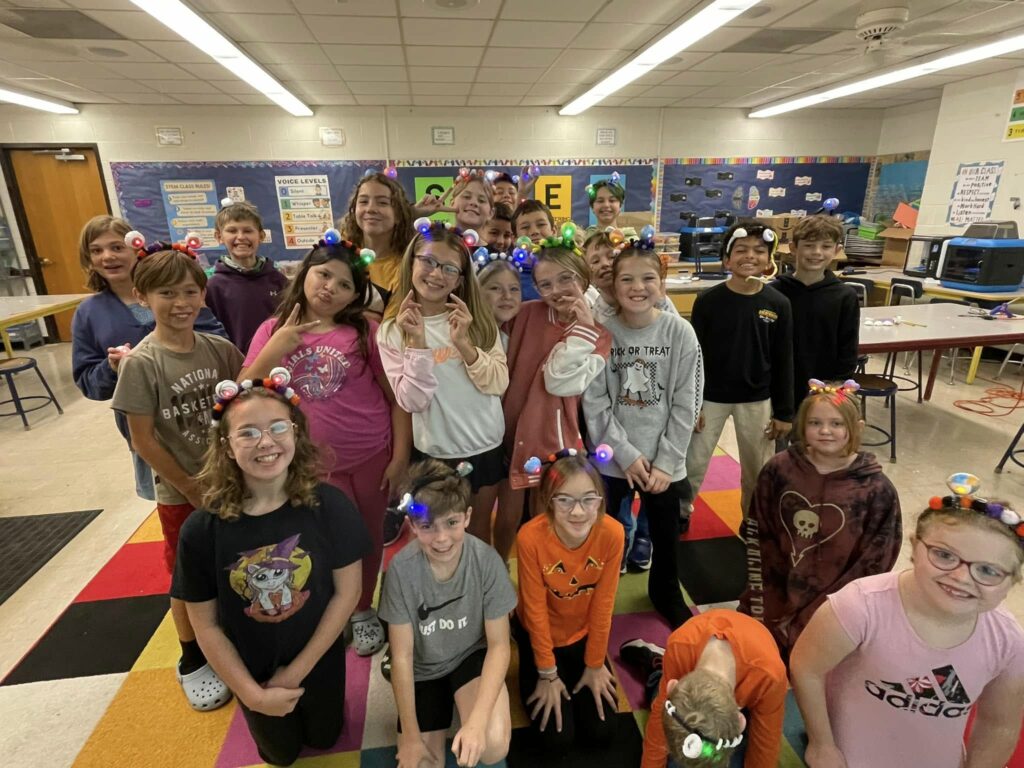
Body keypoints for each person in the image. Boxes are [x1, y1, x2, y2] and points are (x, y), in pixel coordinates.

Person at [172, 370, 370, 766]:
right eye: (247, 433)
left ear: (296, 433)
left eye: (278, 427)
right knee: (279, 755)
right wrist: (252, 693)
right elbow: (205, 625)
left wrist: (295, 673)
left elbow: (348, 594)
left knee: (326, 736)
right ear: (226, 447)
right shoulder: (202, 529)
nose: (266, 441)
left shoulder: (331, 507)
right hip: (251, 669)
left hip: (318, 659)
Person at [243, 234, 411, 658]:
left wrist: (401, 455)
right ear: (304, 274)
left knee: (368, 537)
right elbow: (242, 390)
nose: (329, 288)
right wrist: (278, 348)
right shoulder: (271, 330)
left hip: (371, 454)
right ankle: (330, 608)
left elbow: (397, 397)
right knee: (319, 542)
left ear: (355, 296)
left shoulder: (363, 331)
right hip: (309, 464)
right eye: (323, 275)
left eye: (343, 285)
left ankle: (361, 609)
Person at [791, 475, 1024, 768]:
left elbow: (998, 724)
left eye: (989, 571)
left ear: (1013, 582)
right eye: (944, 555)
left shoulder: (1009, 642)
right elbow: (806, 667)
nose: (961, 577)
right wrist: (822, 745)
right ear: (914, 547)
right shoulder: (860, 606)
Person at [111, 237, 243, 710]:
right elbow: (141, 439)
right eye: (166, 294)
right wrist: (190, 487)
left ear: (203, 295)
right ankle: (191, 658)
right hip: (180, 491)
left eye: (189, 291)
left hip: (229, 485)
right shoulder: (142, 364)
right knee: (187, 576)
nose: (180, 303)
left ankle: (227, 636)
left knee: (233, 562)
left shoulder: (222, 352)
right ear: (142, 298)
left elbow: (241, 411)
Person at [583, 238, 703, 629]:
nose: (638, 287)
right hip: (614, 458)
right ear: (613, 286)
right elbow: (595, 401)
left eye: (648, 278)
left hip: (664, 464)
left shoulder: (679, 332)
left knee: (666, 533)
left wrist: (667, 461)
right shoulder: (602, 332)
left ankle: (664, 589)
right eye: (627, 279)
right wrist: (626, 454)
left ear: (662, 281)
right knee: (603, 531)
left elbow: (688, 401)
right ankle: (591, 591)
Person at [738, 380, 902, 662]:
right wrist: (761, 589)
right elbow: (758, 530)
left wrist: (837, 606)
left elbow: (878, 558)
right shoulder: (779, 469)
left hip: (837, 606)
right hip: (773, 592)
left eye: (837, 424)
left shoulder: (876, 489)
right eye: (815, 422)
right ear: (802, 425)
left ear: (857, 427)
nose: (825, 431)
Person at [71, 215, 225, 500]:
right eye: (97, 250)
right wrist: (111, 367)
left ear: (134, 248)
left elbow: (216, 345)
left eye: (117, 247)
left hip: (203, 423)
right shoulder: (90, 313)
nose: (108, 256)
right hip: (150, 434)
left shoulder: (181, 294)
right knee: (173, 502)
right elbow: (87, 381)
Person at [379, 460, 516, 768]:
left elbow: (499, 645)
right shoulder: (401, 570)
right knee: (422, 763)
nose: (441, 538)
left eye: (451, 523)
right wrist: (411, 736)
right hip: (423, 667)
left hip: (470, 656)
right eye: (428, 526)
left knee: (492, 747)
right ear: (412, 526)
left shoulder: (487, 562)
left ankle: (467, 709)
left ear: (467, 517)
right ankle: (443, 716)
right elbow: (401, 656)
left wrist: (478, 723)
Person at [378, 222, 508, 546]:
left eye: (449, 268)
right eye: (429, 261)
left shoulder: (476, 320)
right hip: (434, 452)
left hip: (486, 447)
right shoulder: (393, 331)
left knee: (477, 532)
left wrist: (464, 344)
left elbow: (498, 383)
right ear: (412, 262)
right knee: (436, 536)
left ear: (461, 279)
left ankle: (478, 594)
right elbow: (412, 402)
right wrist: (418, 344)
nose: (437, 274)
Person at [498, 227, 611, 561]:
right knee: (507, 515)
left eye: (566, 280)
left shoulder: (599, 335)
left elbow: (561, 382)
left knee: (547, 516)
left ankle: (546, 579)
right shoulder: (527, 313)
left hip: (556, 441)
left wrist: (583, 329)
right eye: (545, 284)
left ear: (583, 278)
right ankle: (500, 578)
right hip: (508, 428)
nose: (556, 291)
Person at [514, 451, 622, 754]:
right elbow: (534, 610)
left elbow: (604, 605)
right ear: (548, 501)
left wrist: (595, 663)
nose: (578, 512)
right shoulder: (530, 538)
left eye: (589, 499)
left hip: (582, 633)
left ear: (600, 499)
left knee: (602, 731)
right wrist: (547, 673)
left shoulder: (612, 533)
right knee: (557, 739)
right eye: (565, 500)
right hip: (539, 632)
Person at [685, 221, 794, 519]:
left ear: (769, 259)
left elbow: (784, 359)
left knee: (757, 466)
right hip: (710, 398)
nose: (750, 256)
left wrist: (784, 412)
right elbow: (694, 357)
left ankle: (753, 519)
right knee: (693, 462)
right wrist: (693, 403)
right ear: (726, 258)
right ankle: (681, 511)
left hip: (757, 399)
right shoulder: (708, 300)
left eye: (759, 251)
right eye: (741, 249)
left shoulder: (778, 303)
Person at [622, 609, 787, 768]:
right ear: (672, 686)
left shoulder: (770, 677)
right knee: (681, 758)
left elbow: (766, 744)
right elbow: (659, 719)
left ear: (741, 720)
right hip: (685, 674)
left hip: (754, 688)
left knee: (719, 759)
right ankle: (657, 670)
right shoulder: (679, 645)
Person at [772, 215, 859, 411]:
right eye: (809, 245)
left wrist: (838, 385)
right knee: (778, 439)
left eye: (826, 246)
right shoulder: (774, 292)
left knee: (816, 439)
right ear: (793, 248)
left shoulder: (844, 296)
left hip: (824, 389)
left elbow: (848, 347)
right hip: (778, 387)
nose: (817, 252)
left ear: (837, 251)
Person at [205, 201, 288, 352]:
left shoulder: (278, 280)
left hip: (277, 362)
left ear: (261, 236)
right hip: (236, 365)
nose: (241, 237)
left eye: (248, 231)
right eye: (232, 231)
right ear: (219, 236)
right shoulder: (213, 286)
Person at [339, 171, 415, 310]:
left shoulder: (405, 267)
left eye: (382, 203)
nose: (371, 209)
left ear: (398, 214)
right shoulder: (339, 250)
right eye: (363, 201)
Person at [510, 199, 556, 301]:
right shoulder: (510, 274)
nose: (534, 231)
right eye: (525, 227)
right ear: (514, 239)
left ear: (553, 231)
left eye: (541, 224)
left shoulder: (567, 266)